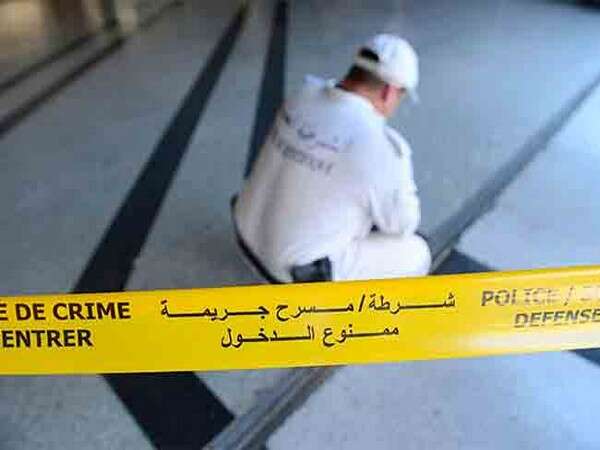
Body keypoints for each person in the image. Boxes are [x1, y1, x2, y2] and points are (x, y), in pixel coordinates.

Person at [234, 33, 431, 282]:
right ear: (389, 92)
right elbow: (402, 224)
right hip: (289, 274)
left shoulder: (302, 95)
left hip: (245, 235)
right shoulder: (380, 144)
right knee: (417, 251)